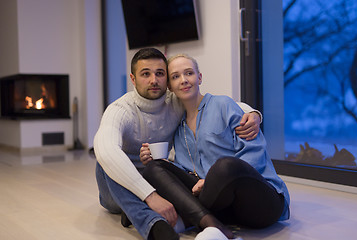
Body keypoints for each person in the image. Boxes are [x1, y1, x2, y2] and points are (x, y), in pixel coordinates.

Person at [93, 48, 262, 240]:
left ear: (167, 80)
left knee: (163, 171)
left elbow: (217, 104)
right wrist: (150, 196)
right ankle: (153, 224)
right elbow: (105, 149)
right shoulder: (120, 110)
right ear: (133, 79)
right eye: (145, 74)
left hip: (156, 179)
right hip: (119, 189)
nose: (153, 80)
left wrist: (253, 114)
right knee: (106, 161)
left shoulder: (174, 100)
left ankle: (143, 212)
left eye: (160, 73)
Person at [141, 54, 290, 239]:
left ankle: (186, 219)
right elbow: (185, 170)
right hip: (224, 208)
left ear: (200, 77)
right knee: (154, 167)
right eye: (176, 76)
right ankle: (213, 225)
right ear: (170, 86)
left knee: (225, 166)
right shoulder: (178, 127)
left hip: (261, 202)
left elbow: (255, 152)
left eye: (189, 73)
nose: (184, 80)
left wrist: (210, 181)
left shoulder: (223, 105)